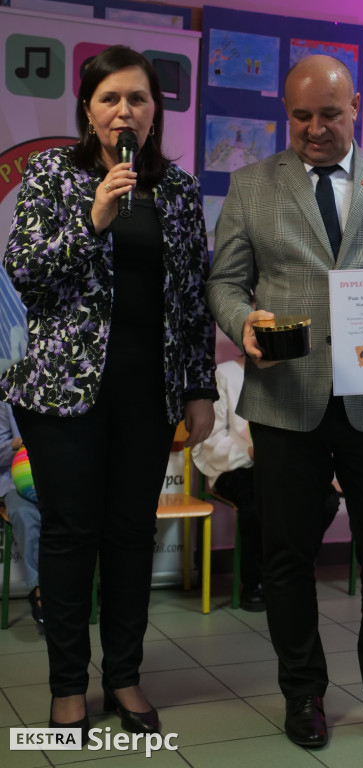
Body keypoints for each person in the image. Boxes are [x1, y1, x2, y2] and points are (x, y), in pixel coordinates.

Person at [207, 55, 363, 757]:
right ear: (286, 113)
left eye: (329, 114)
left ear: (356, 108)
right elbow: (224, 283)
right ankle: (303, 693)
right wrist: (243, 323)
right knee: (286, 558)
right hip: (287, 400)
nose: (315, 129)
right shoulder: (253, 185)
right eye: (300, 116)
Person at [0, 45, 217, 741]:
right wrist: (91, 220)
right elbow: (25, 273)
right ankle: (69, 686)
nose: (125, 111)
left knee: (130, 535)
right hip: (61, 392)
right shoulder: (52, 175)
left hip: (147, 394)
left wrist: (200, 388)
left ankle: (124, 675)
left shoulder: (178, 192)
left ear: (155, 112)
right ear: (88, 111)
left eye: (138, 99)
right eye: (110, 98)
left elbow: (192, 299)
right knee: (70, 536)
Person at [192, 354, 340, 612]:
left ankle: (294, 568)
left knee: (326, 499)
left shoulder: (292, 372)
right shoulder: (225, 373)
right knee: (257, 503)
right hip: (235, 465)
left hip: (281, 461)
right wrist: (250, 452)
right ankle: (256, 583)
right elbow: (209, 440)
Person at [0, 401, 42, 624]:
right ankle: (40, 590)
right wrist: (13, 446)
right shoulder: (5, 398)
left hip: (57, 479)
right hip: (15, 482)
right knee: (26, 516)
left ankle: (67, 589)